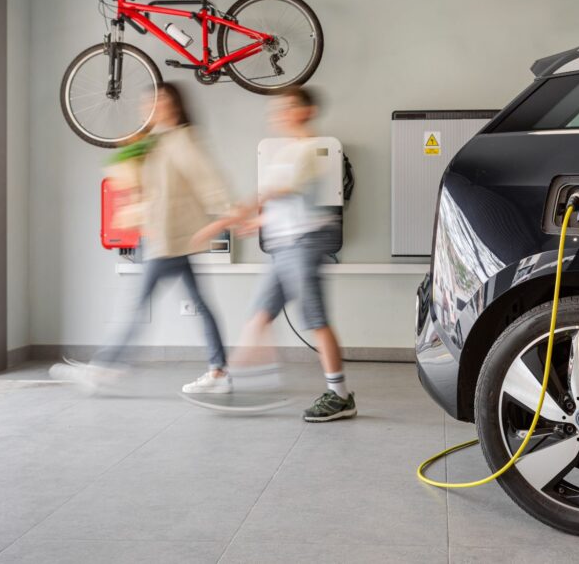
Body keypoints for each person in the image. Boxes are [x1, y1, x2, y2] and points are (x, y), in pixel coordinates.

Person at [58, 82, 236, 393]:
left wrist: (228, 213)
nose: (152, 106)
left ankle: (104, 366)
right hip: (160, 236)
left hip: (168, 239)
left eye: (160, 100)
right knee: (197, 303)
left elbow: (208, 180)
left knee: (136, 306)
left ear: (175, 105)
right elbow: (144, 187)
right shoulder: (155, 142)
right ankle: (218, 371)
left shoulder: (182, 139)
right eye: (148, 102)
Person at [219, 85, 357, 422]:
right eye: (278, 109)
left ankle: (340, 395)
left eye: (288, 107)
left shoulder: (308, 150)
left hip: (304, 243)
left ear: (306, 111)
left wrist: (246, 209)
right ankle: (233, 383)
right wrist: (257, 221)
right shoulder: (286, 152)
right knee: (259, 315)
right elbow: (285, 204)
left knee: (315, 319)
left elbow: (279, 191)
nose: (280, 114)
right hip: (283, 247)